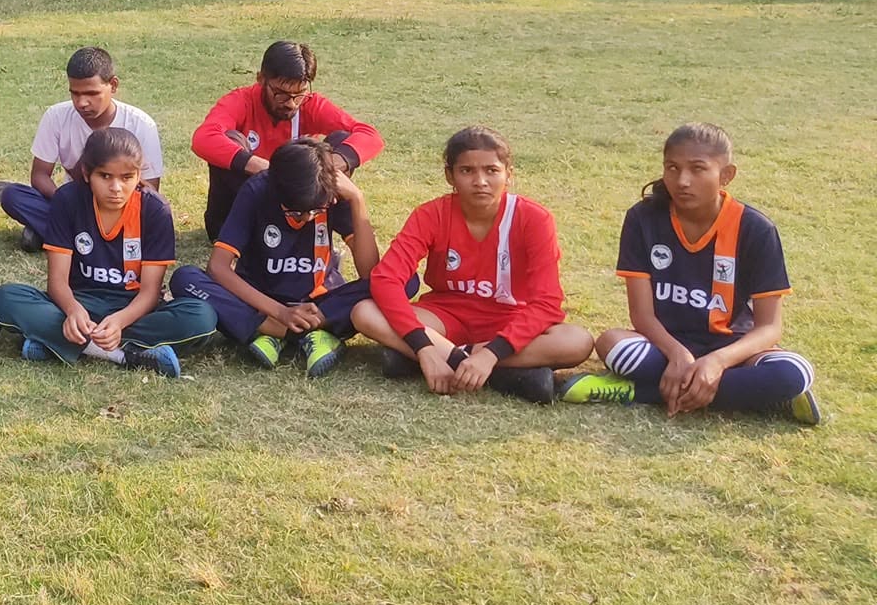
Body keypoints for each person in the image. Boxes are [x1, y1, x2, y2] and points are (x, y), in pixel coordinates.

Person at [559, 124, 821, 424]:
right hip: (664, 346)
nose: (682, 181)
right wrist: (678, 354)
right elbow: (641, 315)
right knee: (613, 345)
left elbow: (769, 328)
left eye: (698, 169)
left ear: (726, 175)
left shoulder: (756, 229)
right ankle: (757, 397)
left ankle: (637, 392)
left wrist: (717, 362)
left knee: (794, 372)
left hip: (733, 351)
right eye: (672, 168)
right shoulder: (643, 217)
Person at [352, 127, 593, 404]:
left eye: (492, 170)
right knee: (365, 312)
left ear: (509, 174)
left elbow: (547, 302)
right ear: (450, 176)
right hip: (444, 317)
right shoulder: (432, 214)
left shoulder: (534, 218)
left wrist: (491, 354)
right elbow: (386, 279)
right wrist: (424, 348)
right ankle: (495, 372)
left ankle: (443, 360)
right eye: (467, 171)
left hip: (509, 321)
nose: (480, 181)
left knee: (577, 341)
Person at [0, 128, 210, 377]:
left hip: (133, 310)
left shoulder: (154, 209)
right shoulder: (68, 199)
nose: (116, 187)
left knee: (201, 317)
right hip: (80, 302)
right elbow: (57, 282)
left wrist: (119, 321)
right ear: (87, 173)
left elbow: (150, 292)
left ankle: (57, 343)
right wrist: (73, 310)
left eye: (127, 177)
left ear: (139, 175)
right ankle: (125, 355)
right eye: (105, 176)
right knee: (7, 297)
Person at [169, 139, 380, 379]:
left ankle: (278, 333)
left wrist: (357, 199)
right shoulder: (257, 190)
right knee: (185, 278)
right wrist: (280, 313)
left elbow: (370, 273)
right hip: (262, 303)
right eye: (296, 213)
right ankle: (295, 331)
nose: (307, 219)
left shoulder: (329, 191)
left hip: (320, 302)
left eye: (316, 211)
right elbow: (218, 267)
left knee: (395, 281)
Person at [191, 40, 383, 242]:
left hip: (297, 206)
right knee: (229, 140)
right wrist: (271, 170)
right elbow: (203, 138)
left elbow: (370, 136)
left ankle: (340, 233)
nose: (291, 104)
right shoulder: (241, 100)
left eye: (299, 94)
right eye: (280, 94)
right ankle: (235, 236)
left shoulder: (310, 105)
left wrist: (324, 168)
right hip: (245, 208)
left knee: (342, 140)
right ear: (261, 79)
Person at [0, 47, 165, 251]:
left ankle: (58, 235)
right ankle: (85, 238)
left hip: (118, 206)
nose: (82, 103)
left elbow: (150, 190)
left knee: (151, 214)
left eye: (92, 94)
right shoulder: (56, 116)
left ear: (113, 85)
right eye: (75, 94)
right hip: (74, 204)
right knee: (13, 196)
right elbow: (40, 175)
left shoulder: (141, 124)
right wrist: (66, 204)